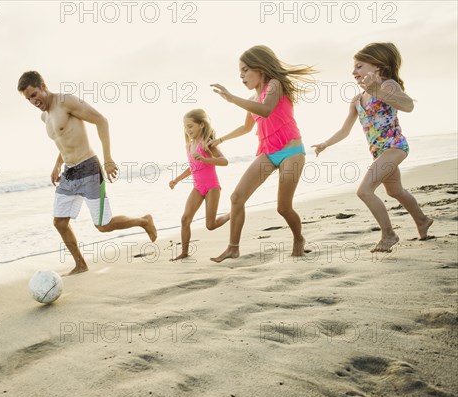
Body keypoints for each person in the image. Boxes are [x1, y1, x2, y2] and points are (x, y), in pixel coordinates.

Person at [17, 71, 157, 275]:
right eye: (28, 98)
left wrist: (108, 159)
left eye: (34, 94)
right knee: (59, 222)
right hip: (69, 173)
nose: (32, 101)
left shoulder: (66, 101)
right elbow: (63, 141)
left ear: (43, 86)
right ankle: (80, 264)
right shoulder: (44, 117)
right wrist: (57, 165)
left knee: (103, 225)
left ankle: (144, 221)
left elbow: (101, 120)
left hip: (89, 168)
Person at [311, 43, 433, 252]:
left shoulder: (388, 85)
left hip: (395, 146)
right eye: (354, 67)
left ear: (377, 67)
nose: (354, 71)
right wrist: (325, 143)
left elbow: (408, 105)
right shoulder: (357, 100)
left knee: (365, 191)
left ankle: (389, 235)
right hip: (378, 151)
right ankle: (422, 220)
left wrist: (376, 90)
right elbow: (345, 130)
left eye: (359, 66)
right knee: (395, 191)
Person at [209, 45, 316, 262]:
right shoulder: (253, 98)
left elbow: (266, 110)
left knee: (283, 208)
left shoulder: (275, 85)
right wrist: (219, 140)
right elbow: (246, 128)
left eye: (246, 69)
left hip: (292, 151)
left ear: (261, 68)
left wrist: (232, 99)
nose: (242, 75)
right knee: (237, 197)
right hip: (268, 153)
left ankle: (298, 238)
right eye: (240, 71)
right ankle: (233, 248)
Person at [168, 109, 230, 261]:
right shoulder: (189, 146)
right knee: (185, 219)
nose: (187, 130)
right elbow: (192, 167)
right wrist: (177, 179)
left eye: (190, 126)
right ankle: (184, 252)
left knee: (210, 225)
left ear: (201, 125)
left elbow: (224, 161)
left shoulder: (207, 144)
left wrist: (205, 159)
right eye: (185, 127)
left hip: (212, 188)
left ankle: (232, 214)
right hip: (197, 187)